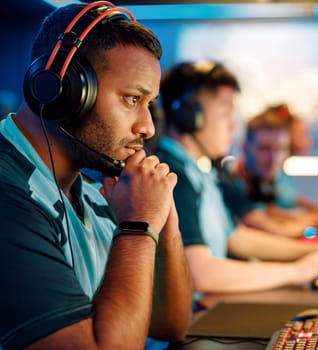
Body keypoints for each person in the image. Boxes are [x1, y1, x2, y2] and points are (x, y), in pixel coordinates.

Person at [0, 2, 192, 349]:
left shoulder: (91, 189)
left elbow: (170, 324)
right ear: (63, 91)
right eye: (132, 99)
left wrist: (162, 215)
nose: (147, 127)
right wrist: (138, 226)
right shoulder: (7, 193)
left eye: (150, 104)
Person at [155, 60, 318, 296]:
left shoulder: (199, 172)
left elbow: (238, 238)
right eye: (226, 113)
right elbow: (200, 273)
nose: (232, 125)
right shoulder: (171, 176)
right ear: (189, 116)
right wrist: (298, 270)